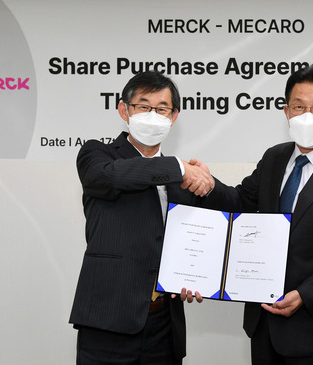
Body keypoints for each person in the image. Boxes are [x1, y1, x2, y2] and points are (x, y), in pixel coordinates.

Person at [193, 65, 313, 364]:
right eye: (299, 106)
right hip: (264, 324)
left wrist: (305, 294)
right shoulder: (274, 157)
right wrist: (209, 183)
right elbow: (242, 201)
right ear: (286, 111)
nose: (308, 115)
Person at [69, 70, 211, 365]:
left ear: (173, 117)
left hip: (164, 324)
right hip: (108, 320)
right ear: (124, 110)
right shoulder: (98, 154)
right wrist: (178, 167)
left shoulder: (181, 177)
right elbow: (107, 178)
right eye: (143, 106)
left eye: (162, 109)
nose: (152, 115)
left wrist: (195, 273)